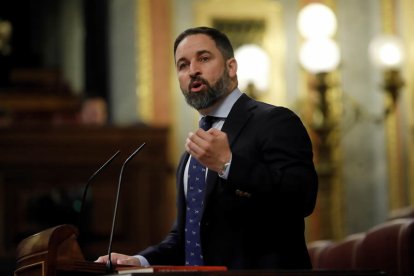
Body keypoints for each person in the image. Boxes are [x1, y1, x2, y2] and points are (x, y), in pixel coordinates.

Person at [96, 26, 318, 270]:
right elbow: (187, 237)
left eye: (203, 58)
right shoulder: (191, 157)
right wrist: (138, 260)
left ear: (231, 67)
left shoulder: (274, 121)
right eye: (182, 65)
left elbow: (303, 198)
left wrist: (229, 165)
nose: (193, 71)